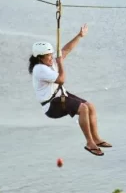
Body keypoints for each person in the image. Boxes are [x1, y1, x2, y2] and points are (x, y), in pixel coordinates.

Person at [29, 24, 111, 156]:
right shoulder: (40, 69)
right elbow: (61, 80)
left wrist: (79, 36)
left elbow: (65, 50)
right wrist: (60, 63)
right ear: (40, 57)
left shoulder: (48, 62)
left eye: (51, 55)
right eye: (48, 56)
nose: (51, 57)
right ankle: (90, 143)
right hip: (51, 105)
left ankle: (96, 138)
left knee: (90, 106)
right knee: (83, 108)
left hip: (60, 96)